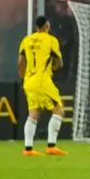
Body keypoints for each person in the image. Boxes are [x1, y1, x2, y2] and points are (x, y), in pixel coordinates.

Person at [18, 16, 68, 156]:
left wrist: (23, 80)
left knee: (33, 113)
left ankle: (28, 149)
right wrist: (55, 67)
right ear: (47, 26)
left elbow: (20, 63)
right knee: (58, 109)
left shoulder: (26, 40)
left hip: (29, 81)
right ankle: (51, 146)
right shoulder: (51, 40)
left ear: (35, 27)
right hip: (42, 80)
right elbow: (59, 62)